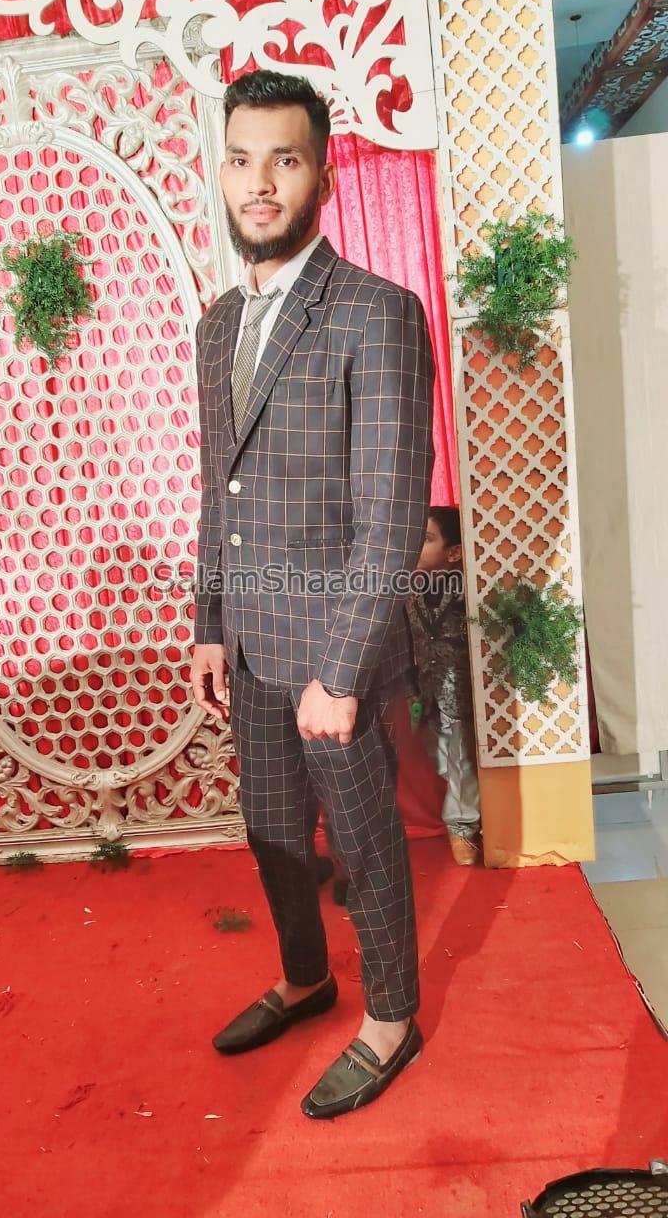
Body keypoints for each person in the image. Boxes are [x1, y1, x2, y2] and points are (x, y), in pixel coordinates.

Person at [190, 69, 434, 1120]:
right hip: (250, 642)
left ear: (322, 176)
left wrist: (341, 671)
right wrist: (209, 622)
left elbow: (391, 516)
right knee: (274, 833)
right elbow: (219, 486)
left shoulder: (376, 314)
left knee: (365, 841)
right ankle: (305, 978)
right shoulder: (217, 325)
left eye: (283, 160)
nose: (260, 182)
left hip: (336, 652)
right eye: (242, 159)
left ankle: (391, 1016)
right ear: (222, 171)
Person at [405, 508, 481, 866]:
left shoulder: (470, 591)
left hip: (460, 690)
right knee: (442, 760)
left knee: (460, 759)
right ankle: (470, 812)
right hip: (427, 690)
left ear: (454, 552)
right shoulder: (411, 589)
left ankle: (463, 828)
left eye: (427, 539)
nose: (416, 545)